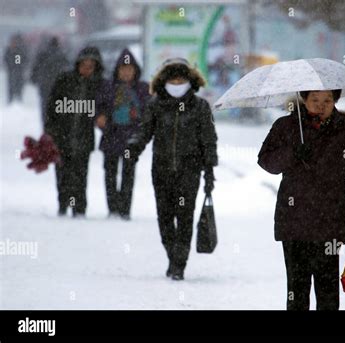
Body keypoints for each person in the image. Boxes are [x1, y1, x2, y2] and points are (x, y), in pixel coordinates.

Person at [258, 90, 345, 310]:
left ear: (335, 101)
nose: (321, 106)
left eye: (327, 101)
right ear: (304, 100)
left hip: (330, 223)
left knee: (328, 291)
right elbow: (266, 160)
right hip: (294, 224)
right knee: (296, 292)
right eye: (315, 100)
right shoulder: (286, 126)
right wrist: (292, 153)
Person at [128, 58, 218, 280]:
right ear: (164, 81)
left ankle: (179, 265)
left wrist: (209, 171)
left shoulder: (200, 107)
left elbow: (208, 140)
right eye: (173, 79)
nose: (177, 83)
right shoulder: (155, 106)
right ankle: (172, 256)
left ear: (190, 81)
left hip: (190, 171)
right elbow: (144, 132)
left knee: (185, 217)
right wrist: (133, 149)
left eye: (181, 79)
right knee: (165, 218)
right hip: (162, 171)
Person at [45, 46, 105, 217]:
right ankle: (63, 204)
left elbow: (102, 108)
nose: (86, 69)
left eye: (90, 66)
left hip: (83, 137)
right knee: (62, 172)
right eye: (84, 65)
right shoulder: (65, 80)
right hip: (62, 135)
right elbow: (52, 106)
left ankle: (79, 207)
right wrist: (50, 130)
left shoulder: (98, 85)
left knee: (80, 174)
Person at [96, 49, 149, 220]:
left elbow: (149, 112)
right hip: (111, 136)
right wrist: (99, 117)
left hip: (131, 140)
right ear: (117, 70)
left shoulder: (142, 89)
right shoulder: (108, 87)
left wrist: (140, 122)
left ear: (135, 71)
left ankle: (125, 209)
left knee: (128, 174)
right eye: (123, 69)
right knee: (110, 174)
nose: (126, 73)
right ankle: (113, 208)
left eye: (130, 69)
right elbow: (98, 107)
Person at [31, 36, 69, 127]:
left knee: (45, 105)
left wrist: (34, 79)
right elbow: (67, 69)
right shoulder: (62, 55)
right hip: (58, 85)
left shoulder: (42, 54)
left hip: (44, 85)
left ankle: (45, 123)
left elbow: (35, 68)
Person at [3, 34, 28, 103]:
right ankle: (11, 100)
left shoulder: (20, 50)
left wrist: (19, 66)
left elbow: (22, 60)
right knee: (11, 85)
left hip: (18, 71)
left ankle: (18, 99)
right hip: (11, 71)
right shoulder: (9, 50)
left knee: (19, 85)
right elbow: (6, 59)